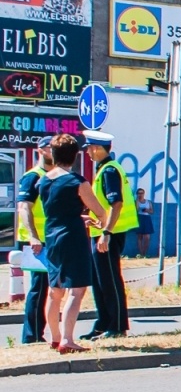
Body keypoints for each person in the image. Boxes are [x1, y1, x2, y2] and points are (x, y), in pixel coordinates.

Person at [38, 134, 109, 353]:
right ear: (75, 156)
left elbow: (59, 212)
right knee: (76, 290)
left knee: (54, 291)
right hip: (73, 238)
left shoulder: (43, 181)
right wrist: (100, 223)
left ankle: (54, 337)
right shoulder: (77, 181)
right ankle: (68, 339)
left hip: (51, 237)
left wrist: (80, 217)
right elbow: (100, 211)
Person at [83, 130, 135, 340]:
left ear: (97, 148)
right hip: (103, 232)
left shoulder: (109, 171)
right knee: (99, 280)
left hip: (110, 234)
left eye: (89, 147)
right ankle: (103, 323)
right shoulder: (104, 169)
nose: (87, 152)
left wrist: (106, 232)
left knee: (110, 279)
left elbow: (117, 203)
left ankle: (117, 326)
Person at [16, 138, 54, 344]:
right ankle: (31, 336)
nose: (53, 151)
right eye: (50, 148)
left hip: (50, 239)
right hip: (37, 242)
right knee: (38, 289)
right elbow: (24, 207)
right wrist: (33, 236)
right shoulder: (33, 176)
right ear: (40, 150)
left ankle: (37, 333)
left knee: (47, 288)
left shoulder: (52, 176)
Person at [134, 188, 154, 257]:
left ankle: (145, 252)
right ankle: (141, 253)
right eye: (139, 193)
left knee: (147, 237)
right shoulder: (136, 202)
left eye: (141, 193)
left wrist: (147, 210)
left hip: (147, 218)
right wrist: (137, 201)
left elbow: (152, 212)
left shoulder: (148, 202)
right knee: (139, 236)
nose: (140, 195)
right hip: (140, 218)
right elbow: (135, 210)